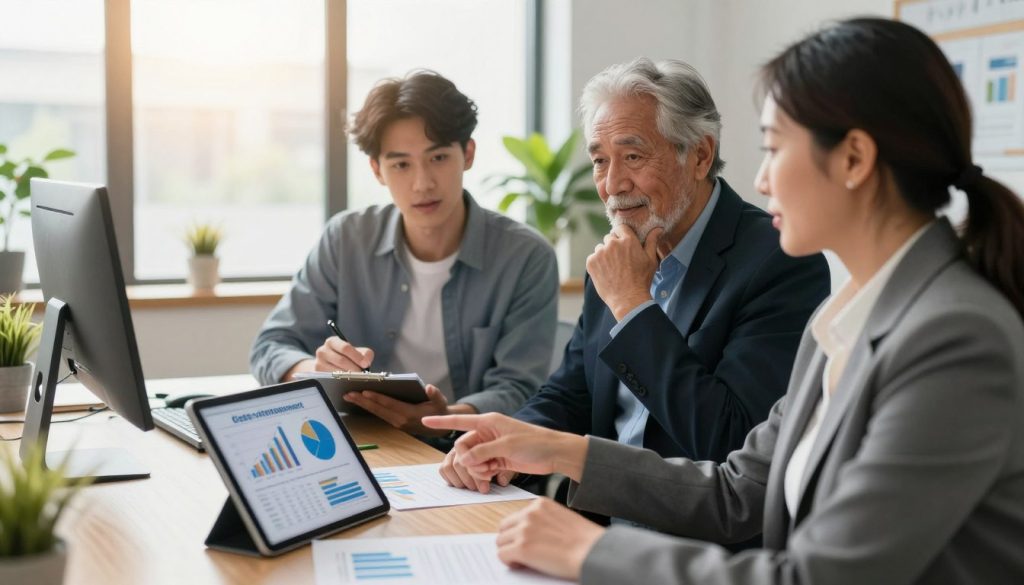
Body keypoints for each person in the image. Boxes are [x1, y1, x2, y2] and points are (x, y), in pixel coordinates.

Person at [424, 17, 1024, 584]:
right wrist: (546, 445)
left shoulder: (956, 338)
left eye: (773, 146)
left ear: (854, 159)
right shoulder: (845, 318)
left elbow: (818, 576)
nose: (761, 180)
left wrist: (591, 550)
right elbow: (738, 493)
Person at [439, 58, 831, 493]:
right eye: (600, 161)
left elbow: (732, 443)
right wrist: (501, 447)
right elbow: (573, 393)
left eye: (632, 156)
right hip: (598, 521)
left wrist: (632, 304)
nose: (612, 184)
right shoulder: (616, 257)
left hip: (696, 542)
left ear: (700, 155)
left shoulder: (779, 260)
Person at [250, 71, 558, 441]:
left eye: (439, 157)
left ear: (469, 154)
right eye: (401, 164)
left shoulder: (526, 257)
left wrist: (444, 418)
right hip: (358, 443)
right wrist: (313, 368)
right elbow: (271, 346)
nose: (422, 183)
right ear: (377, 170)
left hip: (465, 451)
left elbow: (520, 388)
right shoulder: (346, 239)